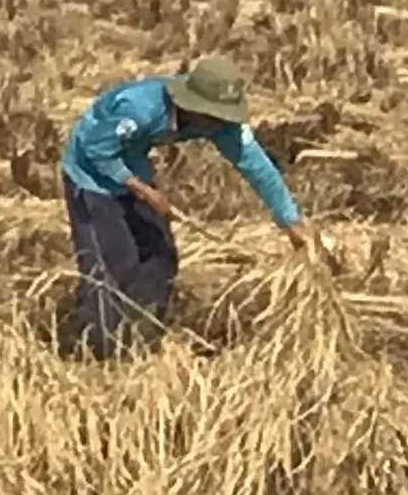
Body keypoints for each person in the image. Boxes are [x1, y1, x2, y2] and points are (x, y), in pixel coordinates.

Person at [58, 54, 314, 354]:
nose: (220, 124)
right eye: (214, 116)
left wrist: (290, 221)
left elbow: (257, 166)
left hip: (132, 164)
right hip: (90, 174)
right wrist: (144, 191)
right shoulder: (139, 108)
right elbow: (96, 149)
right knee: (112, 266)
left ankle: (140, 342)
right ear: (192, 106)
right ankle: (101, 354)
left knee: (160, 257)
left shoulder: (217, 124)